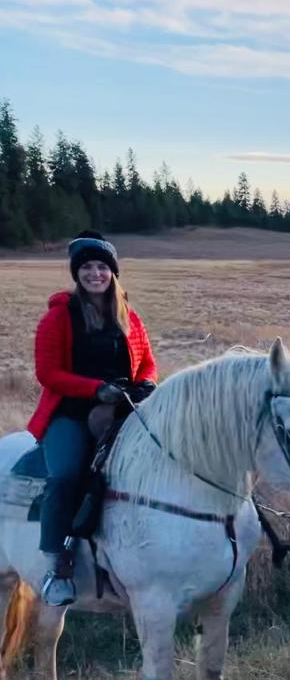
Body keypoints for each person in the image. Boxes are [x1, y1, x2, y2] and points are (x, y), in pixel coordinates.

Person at [27, 231, 157, 606]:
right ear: (76, 273)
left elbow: (147, 360)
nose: (95, 273)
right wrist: (95, 389)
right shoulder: (59, 316)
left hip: (121, 406)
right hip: (70, 411)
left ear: (113, 272)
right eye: (86, 267)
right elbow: (47, 373)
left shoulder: (127, 315)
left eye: (102, 266)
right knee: (66, 475)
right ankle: (57, 563)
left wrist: (146, 382)